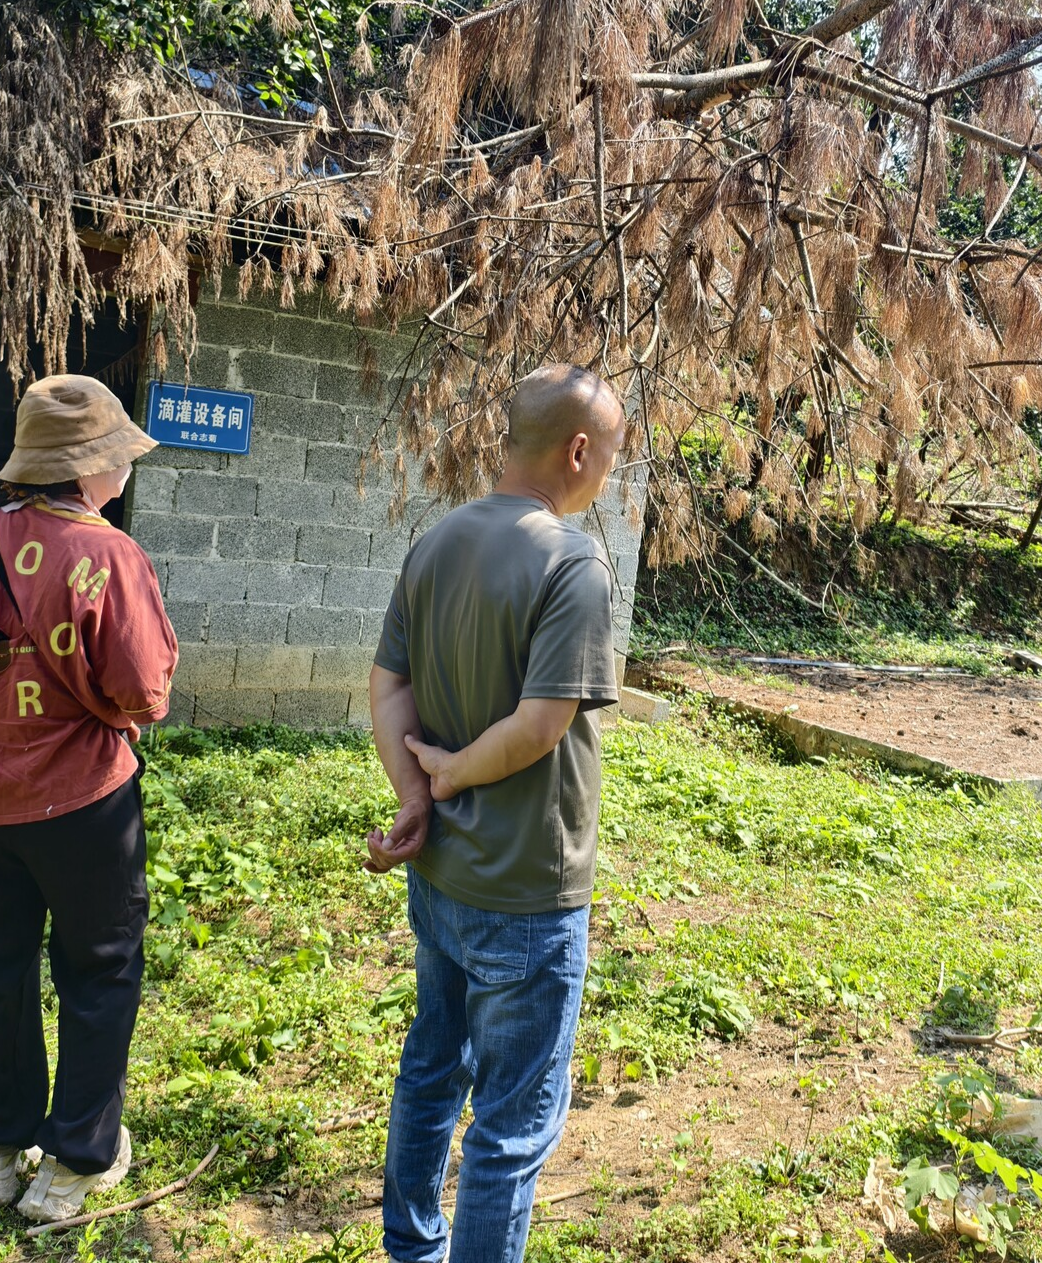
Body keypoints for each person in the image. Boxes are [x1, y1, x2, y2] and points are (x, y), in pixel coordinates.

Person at [365, 363, 626, 1263]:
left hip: (439, 881)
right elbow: (541, 725)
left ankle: (411, 1248)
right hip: (526, 891)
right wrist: (446, 778)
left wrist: (415, 791)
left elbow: (387, 682)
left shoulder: (435, 542)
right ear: (579, 449)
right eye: (611, 458)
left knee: (432, 1070)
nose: (609, 477)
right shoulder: (573, 561)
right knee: (512, 1126)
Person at [0, 374, 177, 1222]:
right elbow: (144, 695)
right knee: (98, 972)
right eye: (117, 453)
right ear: (91, 467)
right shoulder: (111, 555)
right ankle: (74, 1163)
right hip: (83, 804)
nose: (124, 466)